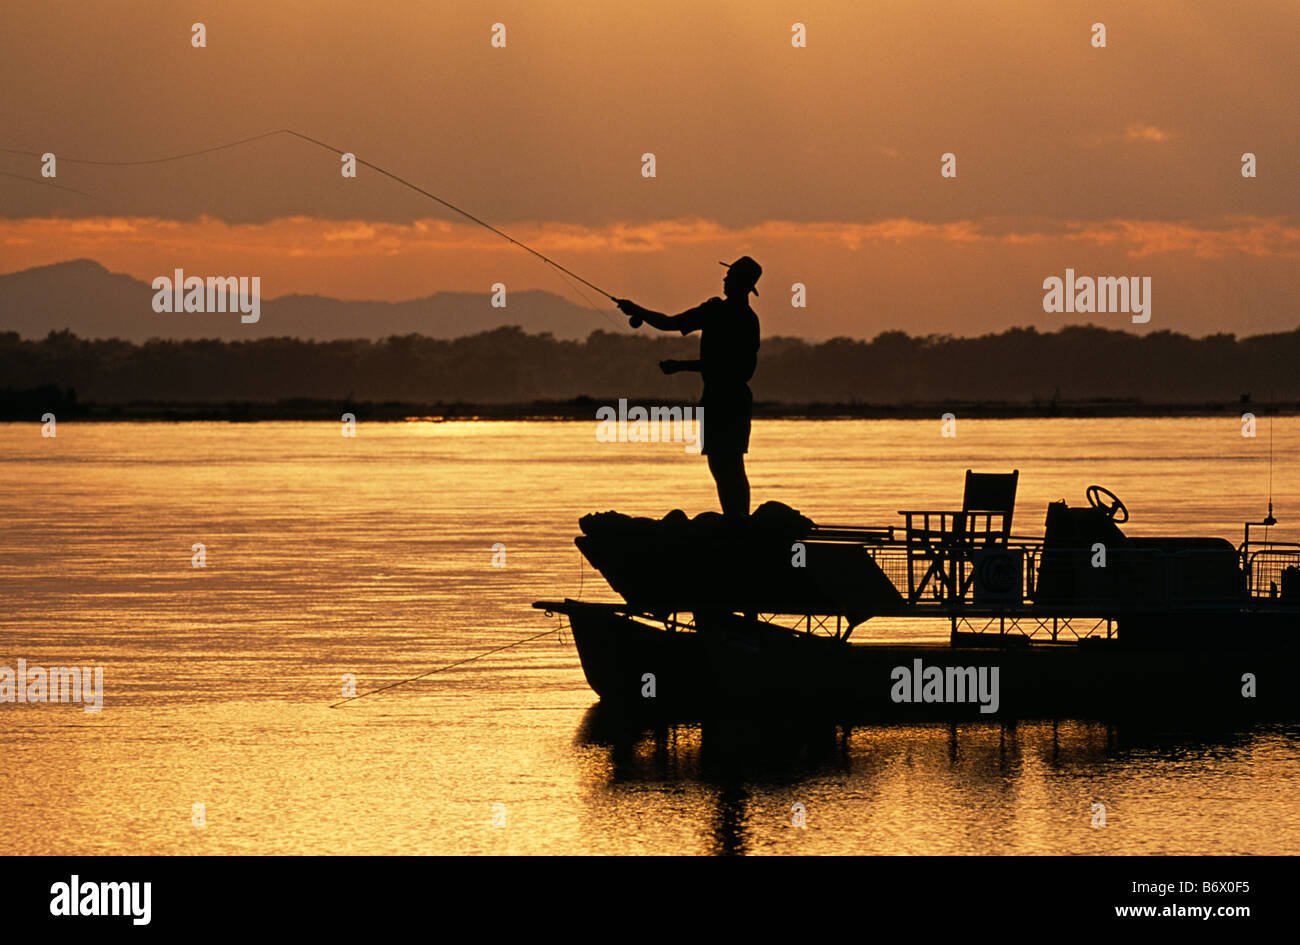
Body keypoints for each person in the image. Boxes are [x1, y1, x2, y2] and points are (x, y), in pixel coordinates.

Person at [615, 256, 762, 518]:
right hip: (737, 399)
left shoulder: (717, 311)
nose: (724, 279)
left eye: (730, 277)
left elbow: (670, 324)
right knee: (731, 464)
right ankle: (738, 523)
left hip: (721, 400)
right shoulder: (750, 319)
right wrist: (639, 312)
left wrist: (637, 310)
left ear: (741, 282)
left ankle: (736, 525)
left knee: (722, 464)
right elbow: (733, 367)